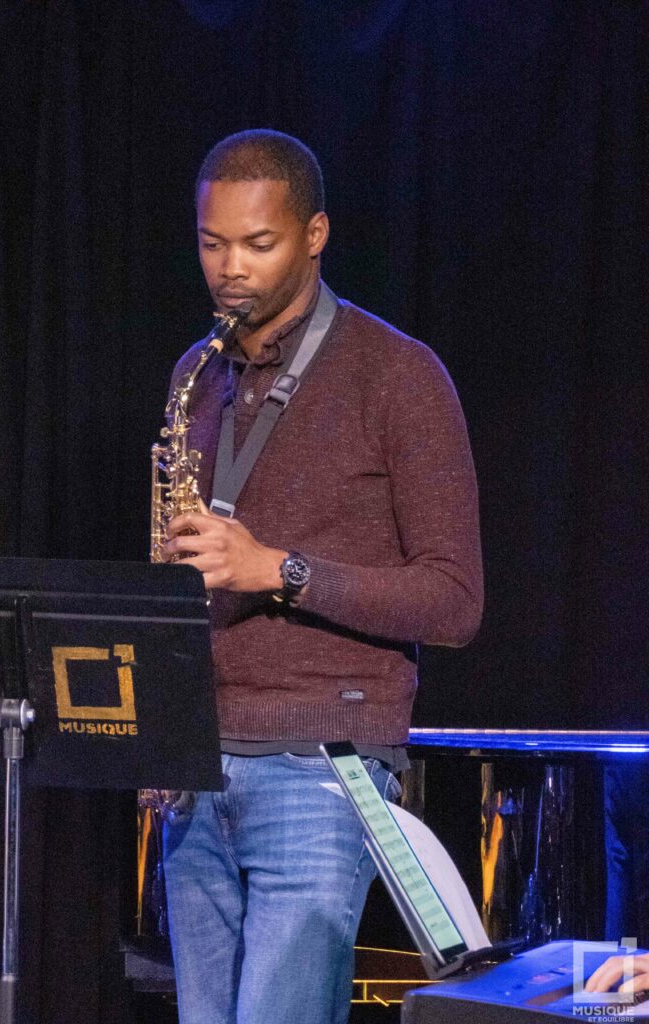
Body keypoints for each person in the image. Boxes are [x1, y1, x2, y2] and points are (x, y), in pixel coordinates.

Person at [159, 129, 483, 1024]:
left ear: (314, 234)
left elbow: (455, 602)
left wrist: (279, 570)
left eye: (258, 244)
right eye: (211, 242)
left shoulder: (400, 375)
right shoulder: (197, 373)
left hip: (321, 769)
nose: (231, 268)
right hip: (195, 766)